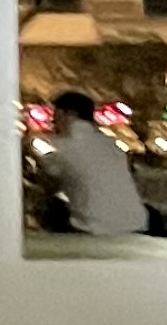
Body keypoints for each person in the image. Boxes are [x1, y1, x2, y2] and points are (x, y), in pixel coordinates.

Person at [38, 90, 147, 238]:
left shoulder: (62, 146)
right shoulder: (111, 145)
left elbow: (48, 177)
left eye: (56, 114)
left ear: (69, 114)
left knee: (52, 206)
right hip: (136, 223)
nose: (53, 120)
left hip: (95, 227)